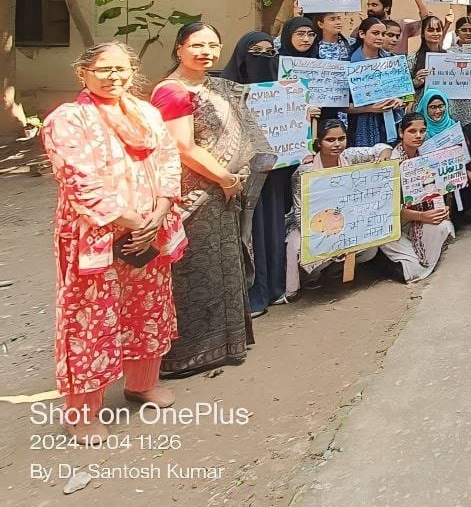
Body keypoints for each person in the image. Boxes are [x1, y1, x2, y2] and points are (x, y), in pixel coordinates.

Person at [42, 42, 188, 439]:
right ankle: (83, 414)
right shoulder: (67, 120)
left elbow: (169, 160)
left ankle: (142, 383)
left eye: (121, 69)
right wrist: (128, 219)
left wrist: (158, 211)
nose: (114, 77)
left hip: (148, 231)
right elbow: (78, 180)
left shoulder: (146, 113)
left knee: (147, 307)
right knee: (90, 318)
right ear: (82, 74)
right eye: (104, 69)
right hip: (97, 235)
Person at [150, 22, 270, 377]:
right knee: (191, 269)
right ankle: (184, 353)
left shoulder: (216, 86)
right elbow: (182, 147)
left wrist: (233, 179)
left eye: (213, 46)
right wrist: (223, 177)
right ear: (178, 48)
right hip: (193, 193)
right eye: (197, 45)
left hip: (224, 191)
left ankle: (226, 344)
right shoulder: (171, 91)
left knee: (222, 264)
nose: (206, 52)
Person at [220, 31, 294, 318]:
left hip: (275, 172)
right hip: (243, 175)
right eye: (256, 52)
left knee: (272, 228)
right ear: (241, 55)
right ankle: (253, 294)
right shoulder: (226, 91)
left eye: (269, 51)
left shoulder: (285, 90)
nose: (264, 58)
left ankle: (275, 288)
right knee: (248, 231)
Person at [286, 121, 391, 292]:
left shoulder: (349, 157)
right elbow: (300, 213)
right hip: (314, 224)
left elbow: (381, 148)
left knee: (371, 247)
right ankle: (311, 277)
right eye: (330, 140)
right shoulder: (304, 172)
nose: (337, 144)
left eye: (341, 138)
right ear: (319, 142)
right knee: (301, 248)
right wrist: (328, 235)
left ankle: (336, 268)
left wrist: (385, 155)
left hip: (346, 219)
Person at [381, 112, 454, 281]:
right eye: (412, 131)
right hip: (394, 223)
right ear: (401, 133)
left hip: (419, 218)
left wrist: (440, 209)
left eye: (422, 131)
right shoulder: (391, 162)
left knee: (443, 226)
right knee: (413, 270)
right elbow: (388, 208)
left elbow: (434, 191)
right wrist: (421, 215)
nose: (418, 135)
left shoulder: (426, 156)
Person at [346, 18, 402, 148]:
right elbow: (341, 105)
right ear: (362, 34)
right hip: (358, 126)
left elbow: (406, 95)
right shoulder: (349, 63)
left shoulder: (392, 62)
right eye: (375, 33)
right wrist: (370, 108)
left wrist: (399, 101)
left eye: (383, 34)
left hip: (389, 123)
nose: (380, 37)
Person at [410, 15, 447, 94]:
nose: (435, 33)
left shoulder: (450, 56)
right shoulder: (412, 59)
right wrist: (415, 83)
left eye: (438, 30)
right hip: (421, 103)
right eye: (430, 30)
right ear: (423, 34)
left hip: (445, 102)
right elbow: (404, 90)